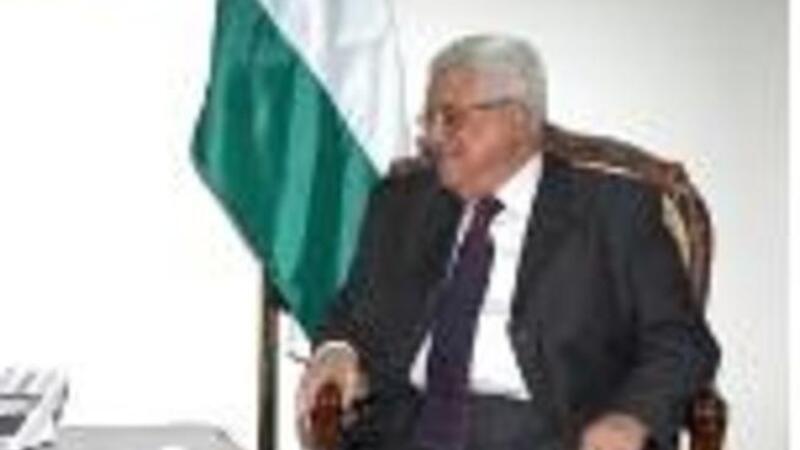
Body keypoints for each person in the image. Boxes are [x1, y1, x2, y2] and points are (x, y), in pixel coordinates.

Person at [296, 34, 720, 450]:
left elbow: (681, 343)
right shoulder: (401, 204)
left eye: (450, 117)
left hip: (550, 435)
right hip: (404, 431)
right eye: (430, 120)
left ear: (517, 118)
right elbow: (351, 313)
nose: (434, 136)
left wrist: (633, 416)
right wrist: (335, 350)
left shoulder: (614, 211)